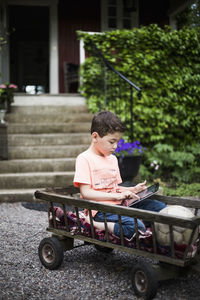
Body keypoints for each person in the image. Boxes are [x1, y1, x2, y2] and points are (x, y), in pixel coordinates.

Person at [73, 111, 165, 239]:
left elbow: (115, 188)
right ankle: (93, 223)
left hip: (121, 205)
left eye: (117, 141)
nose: (115, 146)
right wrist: (117, 197)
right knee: (136, 227)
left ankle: (138, 222)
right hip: (100, 210)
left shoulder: (112, 159)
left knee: (160, 208)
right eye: (112, 142)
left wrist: (132, 189)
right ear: (95, 137)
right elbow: (87, 193)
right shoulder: (84, 159)